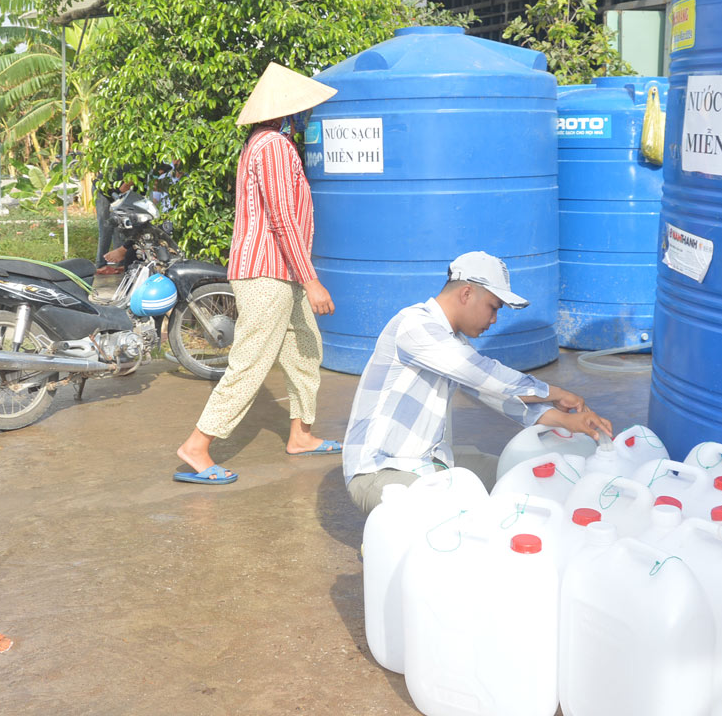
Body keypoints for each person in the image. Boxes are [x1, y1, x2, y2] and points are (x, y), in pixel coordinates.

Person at [172, 63, 343, 484]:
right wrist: (312, 280)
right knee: (251, 361)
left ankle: (300, 434)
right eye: (301, 109)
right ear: (287, 111)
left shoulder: (266, 143)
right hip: (268, 273)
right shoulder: (272, 147)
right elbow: (282, 219)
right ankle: (196, 446)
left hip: (285, 273)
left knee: (305, 349)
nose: (305, 117)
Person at [342, 251, 613, 515]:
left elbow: (497, 395)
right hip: (380, 472)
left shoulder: (452, 343)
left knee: (519, 480)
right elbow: (483, 374)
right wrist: (553, 392)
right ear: (467, 293)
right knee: (466, 517)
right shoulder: (414, 326)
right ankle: (396, 542)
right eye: (493, 308)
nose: (494, 320)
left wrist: (569, 422)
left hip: (428, 462)